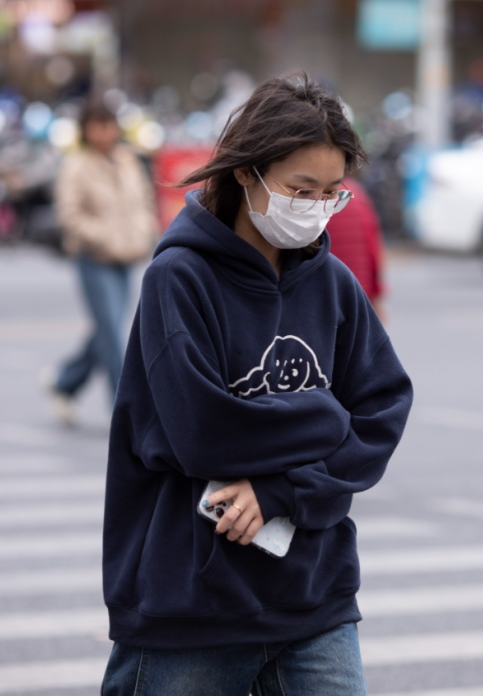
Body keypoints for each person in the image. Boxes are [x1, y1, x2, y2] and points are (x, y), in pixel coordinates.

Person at [100, 74, 413, 695]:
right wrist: (324, 417)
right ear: (248, 174)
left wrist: (282, 490)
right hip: (191, 602)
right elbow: (203, 433)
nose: (317, 207)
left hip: (313, 595)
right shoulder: (178, 279)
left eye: (332, 193)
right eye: (302, 190)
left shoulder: (332, 284)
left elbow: (382, 409)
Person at [44, 100, 159, 424]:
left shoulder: (126, 159)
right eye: (97, 125)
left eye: (109, 124)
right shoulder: (76, 164)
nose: (105, 132)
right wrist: (103, 236)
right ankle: (126, 411)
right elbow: (69, 215)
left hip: (126, 256)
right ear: (85, 129)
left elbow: (143, 201)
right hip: (94, 257)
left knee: (107, 330)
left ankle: (65, 382)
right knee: (111, 333)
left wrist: (145, 231)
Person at [326, 176, 387, 320]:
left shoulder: (312, 202)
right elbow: (373, 251)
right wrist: (376, 296)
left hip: (322, 295)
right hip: (358, 294)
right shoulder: (355, 194)